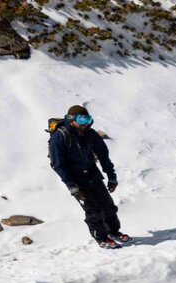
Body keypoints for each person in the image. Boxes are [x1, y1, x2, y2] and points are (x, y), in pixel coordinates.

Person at [47, 105, 128, 248]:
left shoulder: (90, 133)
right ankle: (101, 238)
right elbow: (57, 165)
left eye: (88, 118)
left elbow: (103, 155)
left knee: (108, 206)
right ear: (71, 120)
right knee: (93, 211)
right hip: (77, 181)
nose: (85, 122)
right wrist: (72, 186)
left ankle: (114, 232)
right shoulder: (60, 137)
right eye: (81, 119)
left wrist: (112, 176)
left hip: (93, 175)